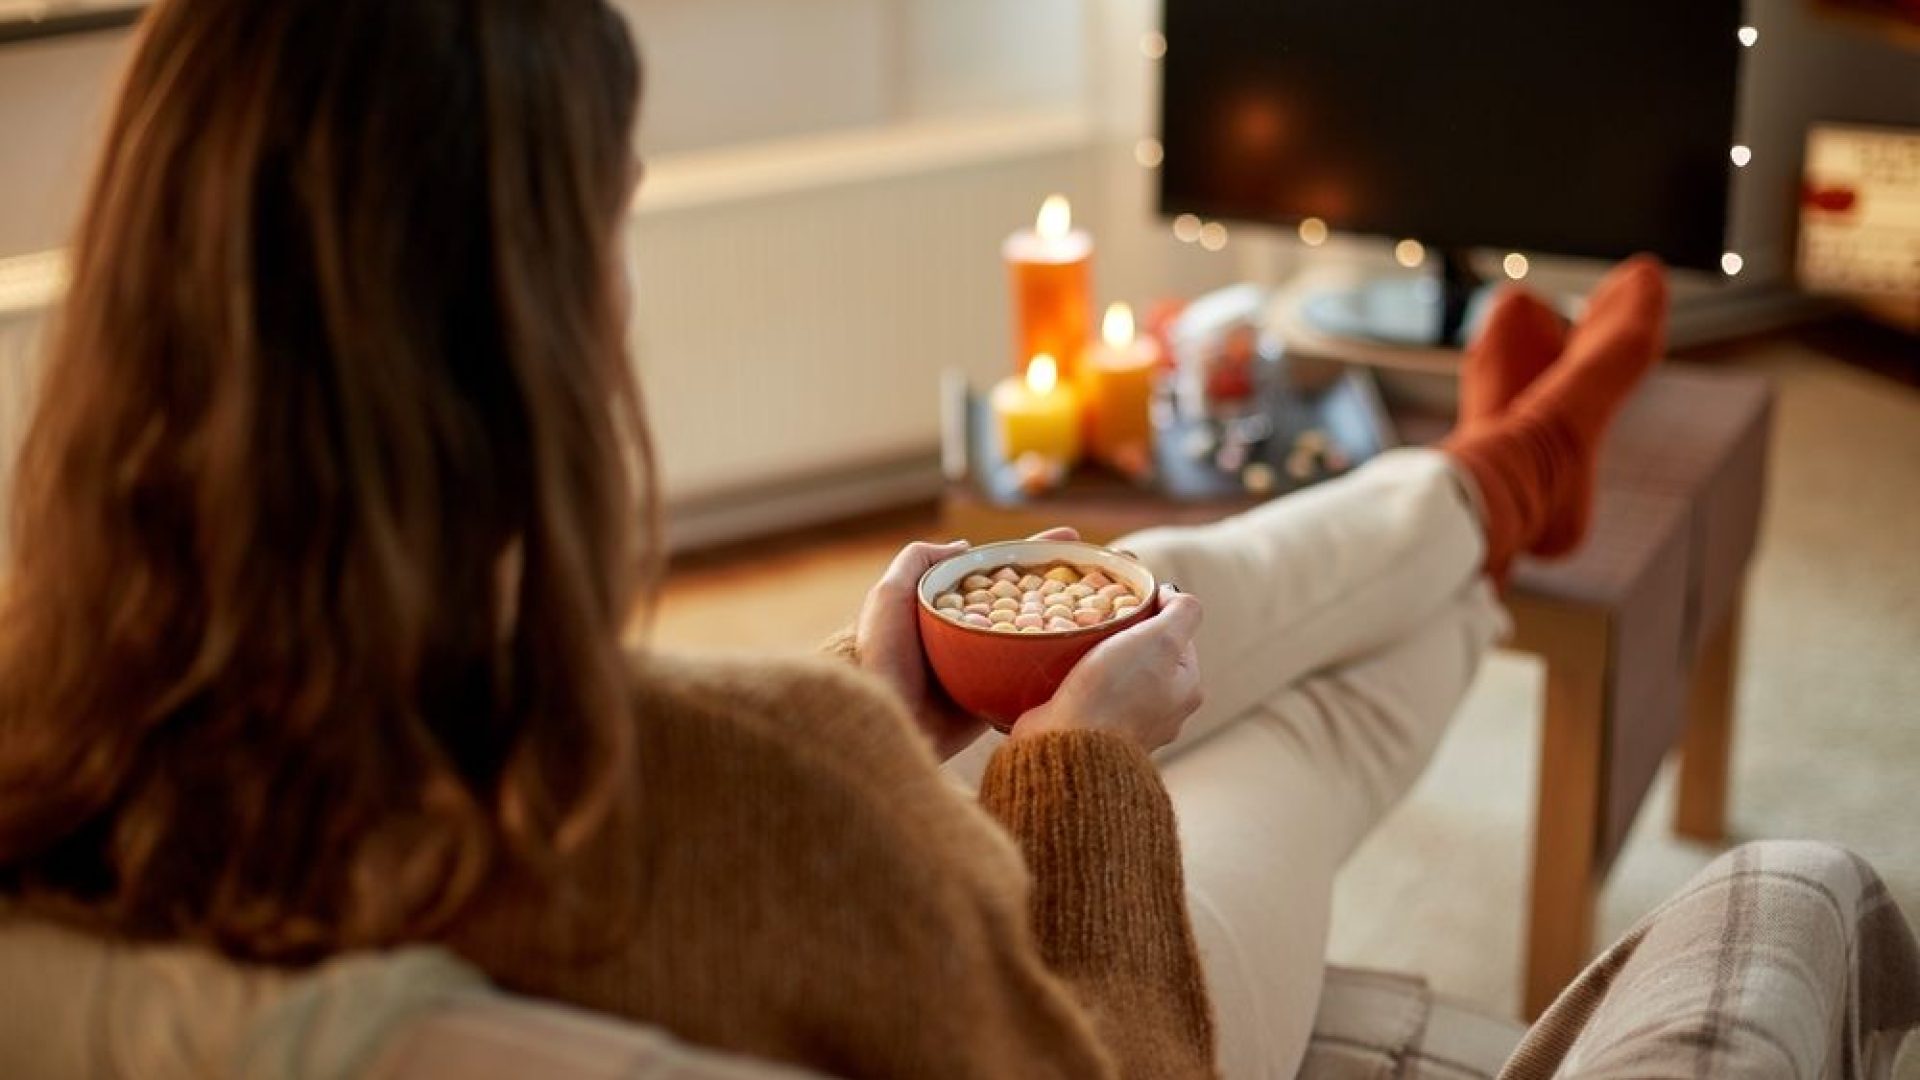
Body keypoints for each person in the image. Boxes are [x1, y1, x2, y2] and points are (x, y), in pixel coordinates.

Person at [2, 2, 1914, 1079]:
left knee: (1195, 603)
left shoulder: (60, 763)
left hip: (817, 793)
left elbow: (685, 811)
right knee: (1303, 714)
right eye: (606, 239)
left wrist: (867, 712)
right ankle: (1510, 484)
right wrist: (1075, 764)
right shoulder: (764, 805)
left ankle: (1500, 481)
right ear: (511, 345)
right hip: (1126, 1020)